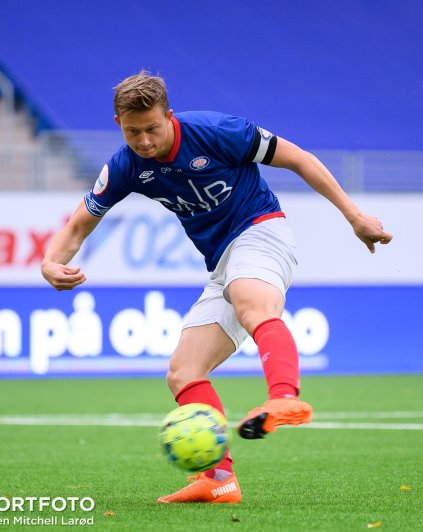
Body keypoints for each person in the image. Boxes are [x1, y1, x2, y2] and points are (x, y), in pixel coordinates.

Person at [41, 71, 392, 503]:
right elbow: (79, 224)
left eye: (152, 128)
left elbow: (299, 158)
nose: (145, 141)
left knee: (251, 300)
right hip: (222, 262)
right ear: (118, 124)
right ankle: (219, 480)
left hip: (263, 231)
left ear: (168, 116)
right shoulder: (125, 166)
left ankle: (284, 398)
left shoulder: (217, 131)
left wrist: (354, 216)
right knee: (183, 372)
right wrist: (51, 262)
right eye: (133, 132)